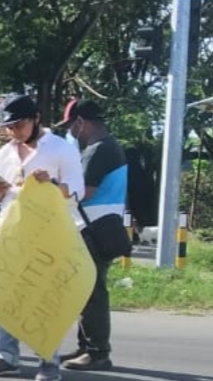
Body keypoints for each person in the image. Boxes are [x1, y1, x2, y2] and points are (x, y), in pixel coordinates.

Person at [0, 95, 84, 381]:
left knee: (42, 295)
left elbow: (77, 189)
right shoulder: (5, 152)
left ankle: (48, 360)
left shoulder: (61, 148)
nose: (14, 132)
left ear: (36, 118)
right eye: (9, 127)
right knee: (4, 294)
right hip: (11, 230)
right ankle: (6, 354)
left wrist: (51, 185)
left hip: (48, 232)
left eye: (19, 124)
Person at [55, 99, 127, 373]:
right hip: (99, 228)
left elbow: (84, 191)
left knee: (92, 292)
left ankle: (98, 352)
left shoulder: (99, 150)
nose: (70, 133)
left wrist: (53, 187)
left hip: (94, 229)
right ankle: (86, 347)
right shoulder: (107, 146)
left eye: (71, 126)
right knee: (86, 290)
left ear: (81, 122)